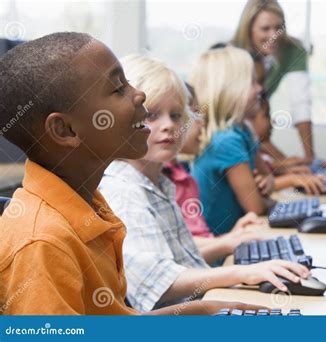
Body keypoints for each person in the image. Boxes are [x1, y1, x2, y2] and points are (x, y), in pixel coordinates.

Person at [0, 32, 259, 315]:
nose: (139, 94)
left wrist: (203, 311)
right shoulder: (44, 243)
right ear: (65, 130)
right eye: (118, 88)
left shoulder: (91, 204)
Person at [99, 55, 310, 312]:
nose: (168, 126)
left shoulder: (158, 183)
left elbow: (177, 256)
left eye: (176, 115)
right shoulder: (124, 191)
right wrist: (240, 273)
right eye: (152, 115)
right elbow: (159, 280)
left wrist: (232, 243)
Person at [164, 83, 267, 263]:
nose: (201, 121)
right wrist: (228, 243)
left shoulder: (181, 175)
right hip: (206, 273)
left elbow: (187, 247)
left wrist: (232, 237)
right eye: (193, 114)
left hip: (207, 267)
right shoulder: (226, 140)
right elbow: (174, 259)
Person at [189, 46, 275, 235]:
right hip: (220, 255)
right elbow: (256, 208)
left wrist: (268, 181)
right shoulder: (226, 141)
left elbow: (265, 175)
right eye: (252, 82)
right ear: (229, 90)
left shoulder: (240, 131)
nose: (260, 88)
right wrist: (270, 201)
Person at [233, 0, 316, 163]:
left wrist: (309, 159)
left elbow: (301, 103)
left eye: (279, 28)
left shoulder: (292, 50)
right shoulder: (233, 56)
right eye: (265, 29)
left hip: (255, 135)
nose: (274, 36)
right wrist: (287, 165)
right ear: (248, 29)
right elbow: (248, 128)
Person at [249, 98, 326, 195]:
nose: (273, 122)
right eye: (266, 116)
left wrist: (292, 171)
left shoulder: (257, 148)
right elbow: (256, 186)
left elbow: (272, 168)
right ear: (248, 121)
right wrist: (292, 179)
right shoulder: (244, 149)